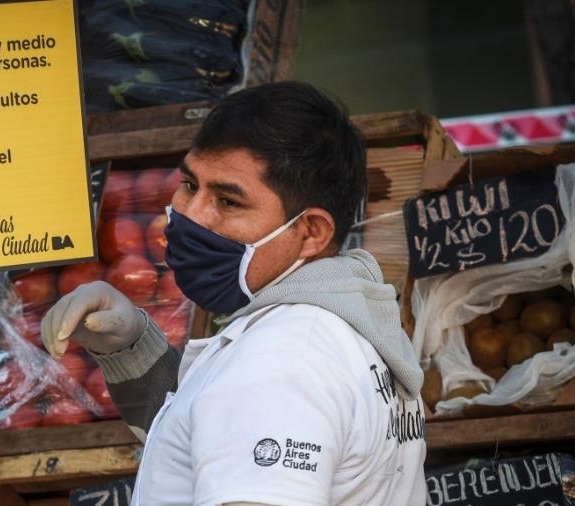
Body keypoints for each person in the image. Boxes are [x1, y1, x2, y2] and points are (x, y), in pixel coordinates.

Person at [41, 81, 426, 505]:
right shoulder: (339, 329)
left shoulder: (283, 358)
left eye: (227, 201)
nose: (190, 215)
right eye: (189, 185)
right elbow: (214, 436)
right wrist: (131, 348)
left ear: (310, 232)